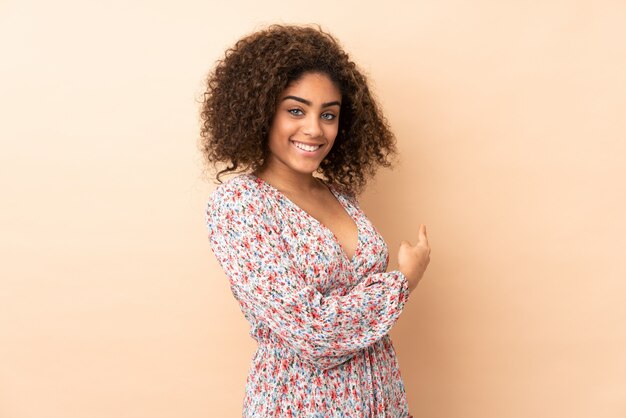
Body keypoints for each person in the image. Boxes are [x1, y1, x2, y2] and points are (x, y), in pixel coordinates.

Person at [200, 24, 431, 417]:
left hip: (380, 398)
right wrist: (403, 280)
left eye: (329, 115)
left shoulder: (339, 194)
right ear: (261, 112)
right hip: (301, 404)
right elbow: (314, 332)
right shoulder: (239, 205)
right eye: (295, 110)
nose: (314, 129)